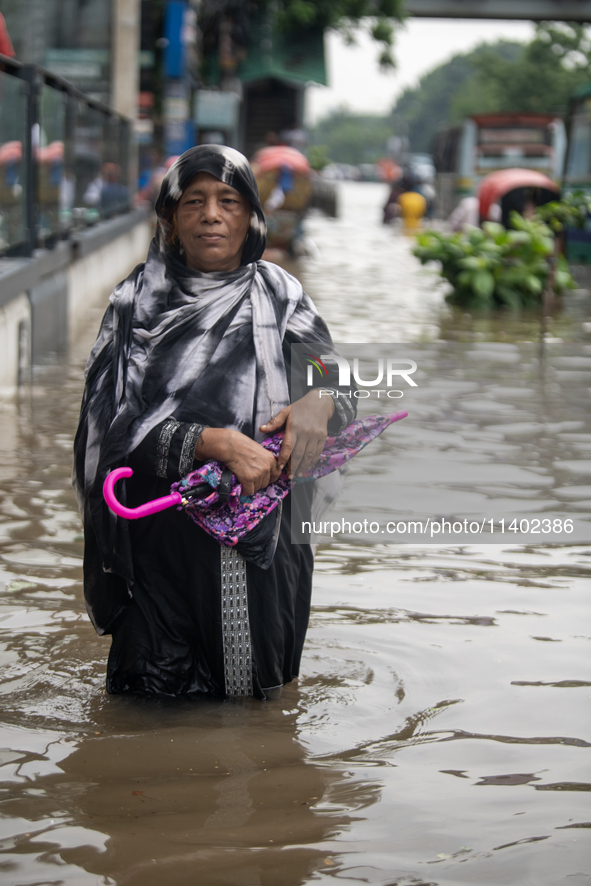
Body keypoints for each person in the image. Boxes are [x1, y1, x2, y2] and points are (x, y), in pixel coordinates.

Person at [73, 145, 354, 699]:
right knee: (150, 706)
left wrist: (318, 400)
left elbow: (333, 376)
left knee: (261, 712)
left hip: (266, 538)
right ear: (171, 220)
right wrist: (213, 442)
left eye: (228, 200)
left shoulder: (280, 293)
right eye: (193, 201)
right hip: (164, 541)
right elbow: (106, 428)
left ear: (251, 216)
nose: (211, 214)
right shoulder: (135, 304)